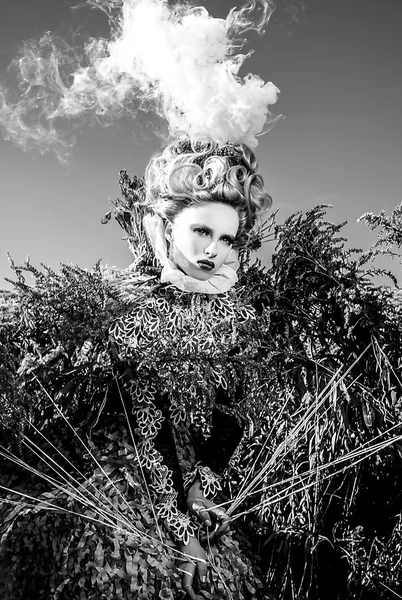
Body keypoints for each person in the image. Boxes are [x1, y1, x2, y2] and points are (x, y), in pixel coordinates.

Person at [105, 136, 273, 598]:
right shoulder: (133, 312)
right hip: (130, 472)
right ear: (162, 227)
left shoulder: (238, 317)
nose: (214, 250)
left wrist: (203, 487)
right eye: (202, 230)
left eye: (226, 238)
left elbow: (239, 412)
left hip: (200, 482)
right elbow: (147, 422)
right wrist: (183, 530)